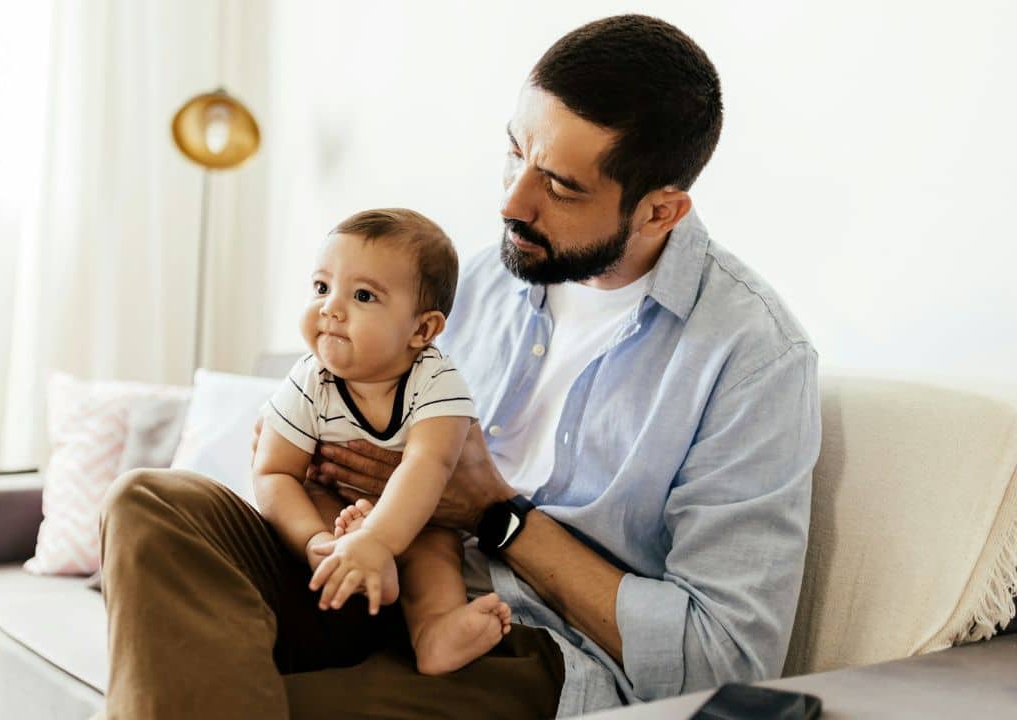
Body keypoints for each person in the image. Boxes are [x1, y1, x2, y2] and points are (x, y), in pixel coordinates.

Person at [98, 13, 821, 719]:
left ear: (661, 212)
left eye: (561, 187)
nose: (513, 201)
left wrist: (494, 514)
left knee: (219, 698)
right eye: (515, 152)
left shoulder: (751, 359)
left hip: (519, 642)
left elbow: (725, 659)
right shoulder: (479, 281)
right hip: (372, 570)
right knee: (149, 504)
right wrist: (319, 467)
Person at [254, 207, 515, 676]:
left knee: (436, 551)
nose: (331, 307)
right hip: (333, 508)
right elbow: (273, 470)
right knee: (307, 495)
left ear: (422, 330)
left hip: (416, 518)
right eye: (321, 287)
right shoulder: (310, 378)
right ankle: (337, 560)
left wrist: (379, 540)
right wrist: (313, 539)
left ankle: (434, 632)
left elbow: (428, 466)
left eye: (362, 295)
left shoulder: (436, 380)